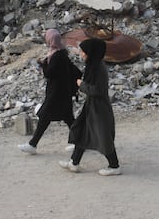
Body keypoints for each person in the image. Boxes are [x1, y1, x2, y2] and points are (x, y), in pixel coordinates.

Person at [59, 38, 121, 176]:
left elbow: (98, 91)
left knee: (103, 137)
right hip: (92, 107)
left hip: (99, 109)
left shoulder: (98, 68)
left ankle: (114, 165)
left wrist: (81, 85)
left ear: (91, 53)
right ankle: (74, 162)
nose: (81, 54)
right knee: (82, 132)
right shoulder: (93, 65)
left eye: (83, 51)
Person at [18, 29, 77, 155]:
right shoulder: (61, 53)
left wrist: (43, 65)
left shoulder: (56, 56)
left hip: (57, 94)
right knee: (68, 118)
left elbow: (49, 73)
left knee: (45, 117)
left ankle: (32, 144)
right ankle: (79, 141)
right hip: (62, 93)